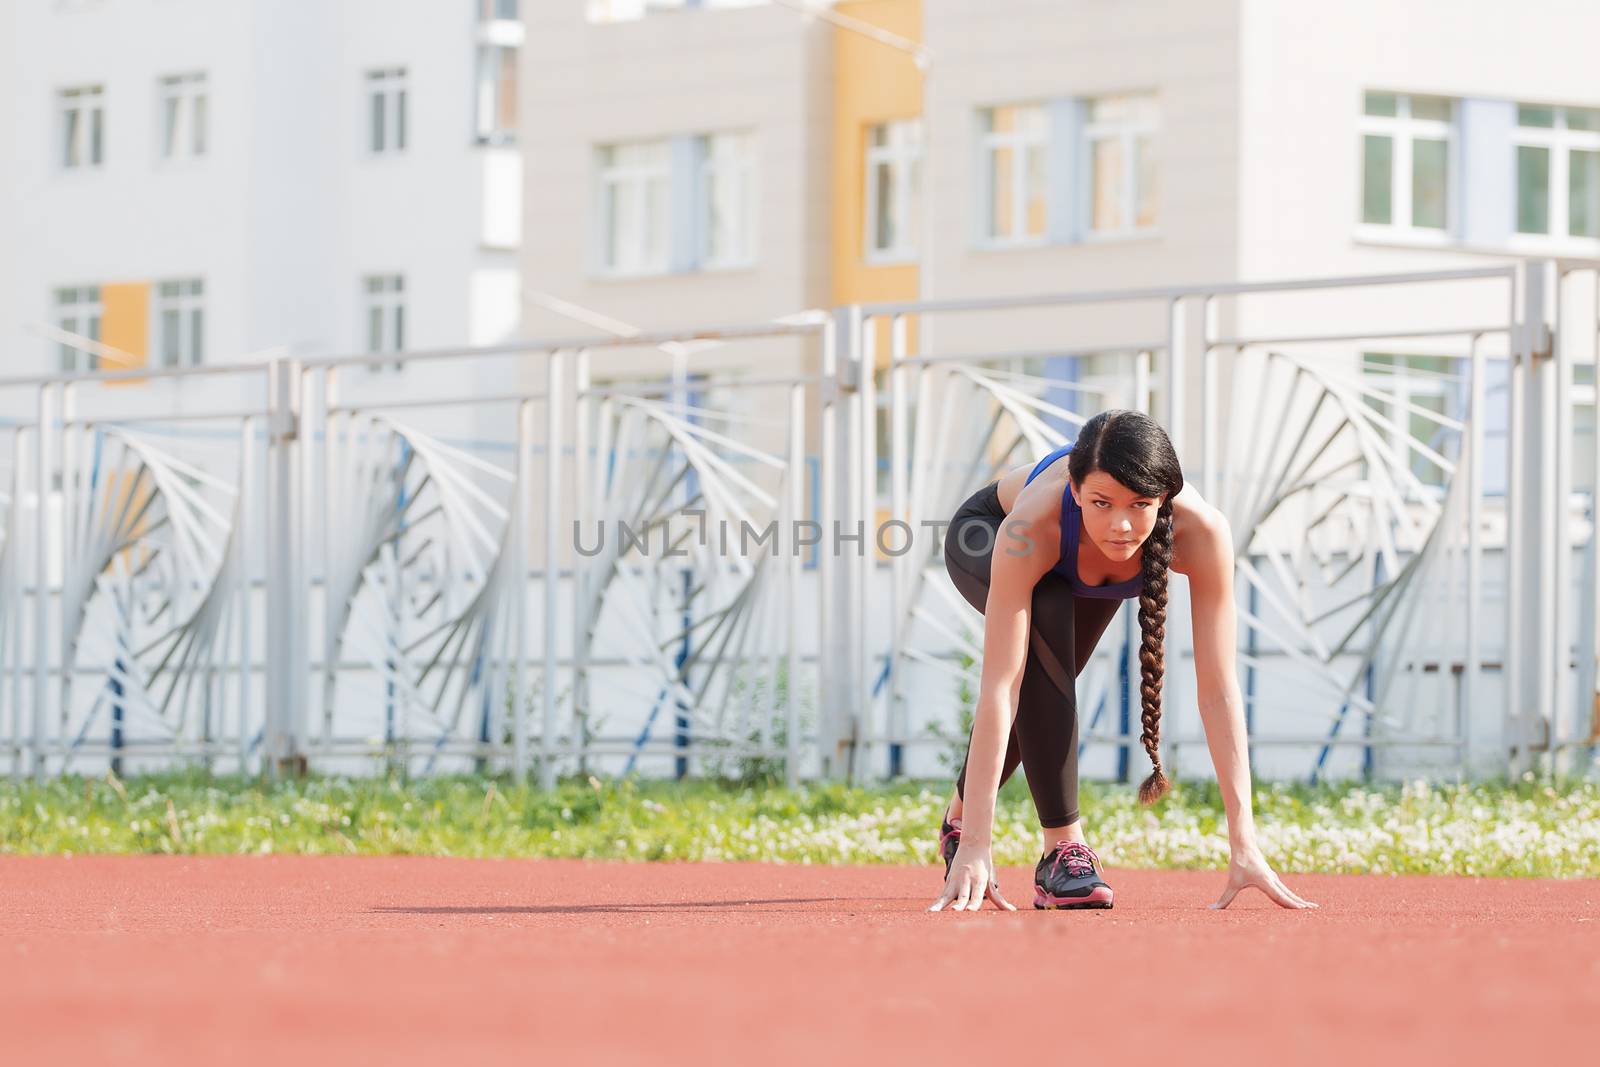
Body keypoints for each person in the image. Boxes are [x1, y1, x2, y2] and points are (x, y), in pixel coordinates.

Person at [930, 409, 1316, 913]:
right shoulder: (1033, 524)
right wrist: (980, 843)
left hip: (1080, 564)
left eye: (1141, 504)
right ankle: (1063, 849)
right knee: (1042, 647)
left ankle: (956, 821)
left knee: (1048, 689)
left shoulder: (1201, 533)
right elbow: (1001, 687)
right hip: (985, 531)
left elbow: (1219, 689)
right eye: (1101, 503)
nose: (1122, 524)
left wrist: (1244, 841)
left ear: (1165, 498)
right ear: (1074, 490)